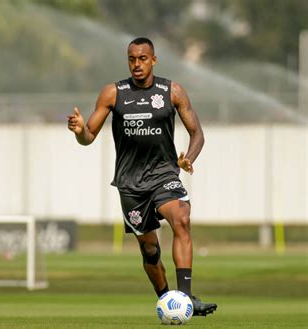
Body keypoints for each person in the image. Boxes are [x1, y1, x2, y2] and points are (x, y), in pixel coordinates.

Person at [67, 37, 217, 316]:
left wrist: (188, 159)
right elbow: (89, 136)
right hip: (130, 184)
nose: (137, 64)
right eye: (132, 59)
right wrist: (79, 132)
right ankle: (167, 300)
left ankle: (185, 298)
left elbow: (197, 133)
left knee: (181, 217)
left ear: (154, 60)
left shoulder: (172, 91)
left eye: (142, 59)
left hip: (164, 175)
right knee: (150, 250)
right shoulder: (113, 93)